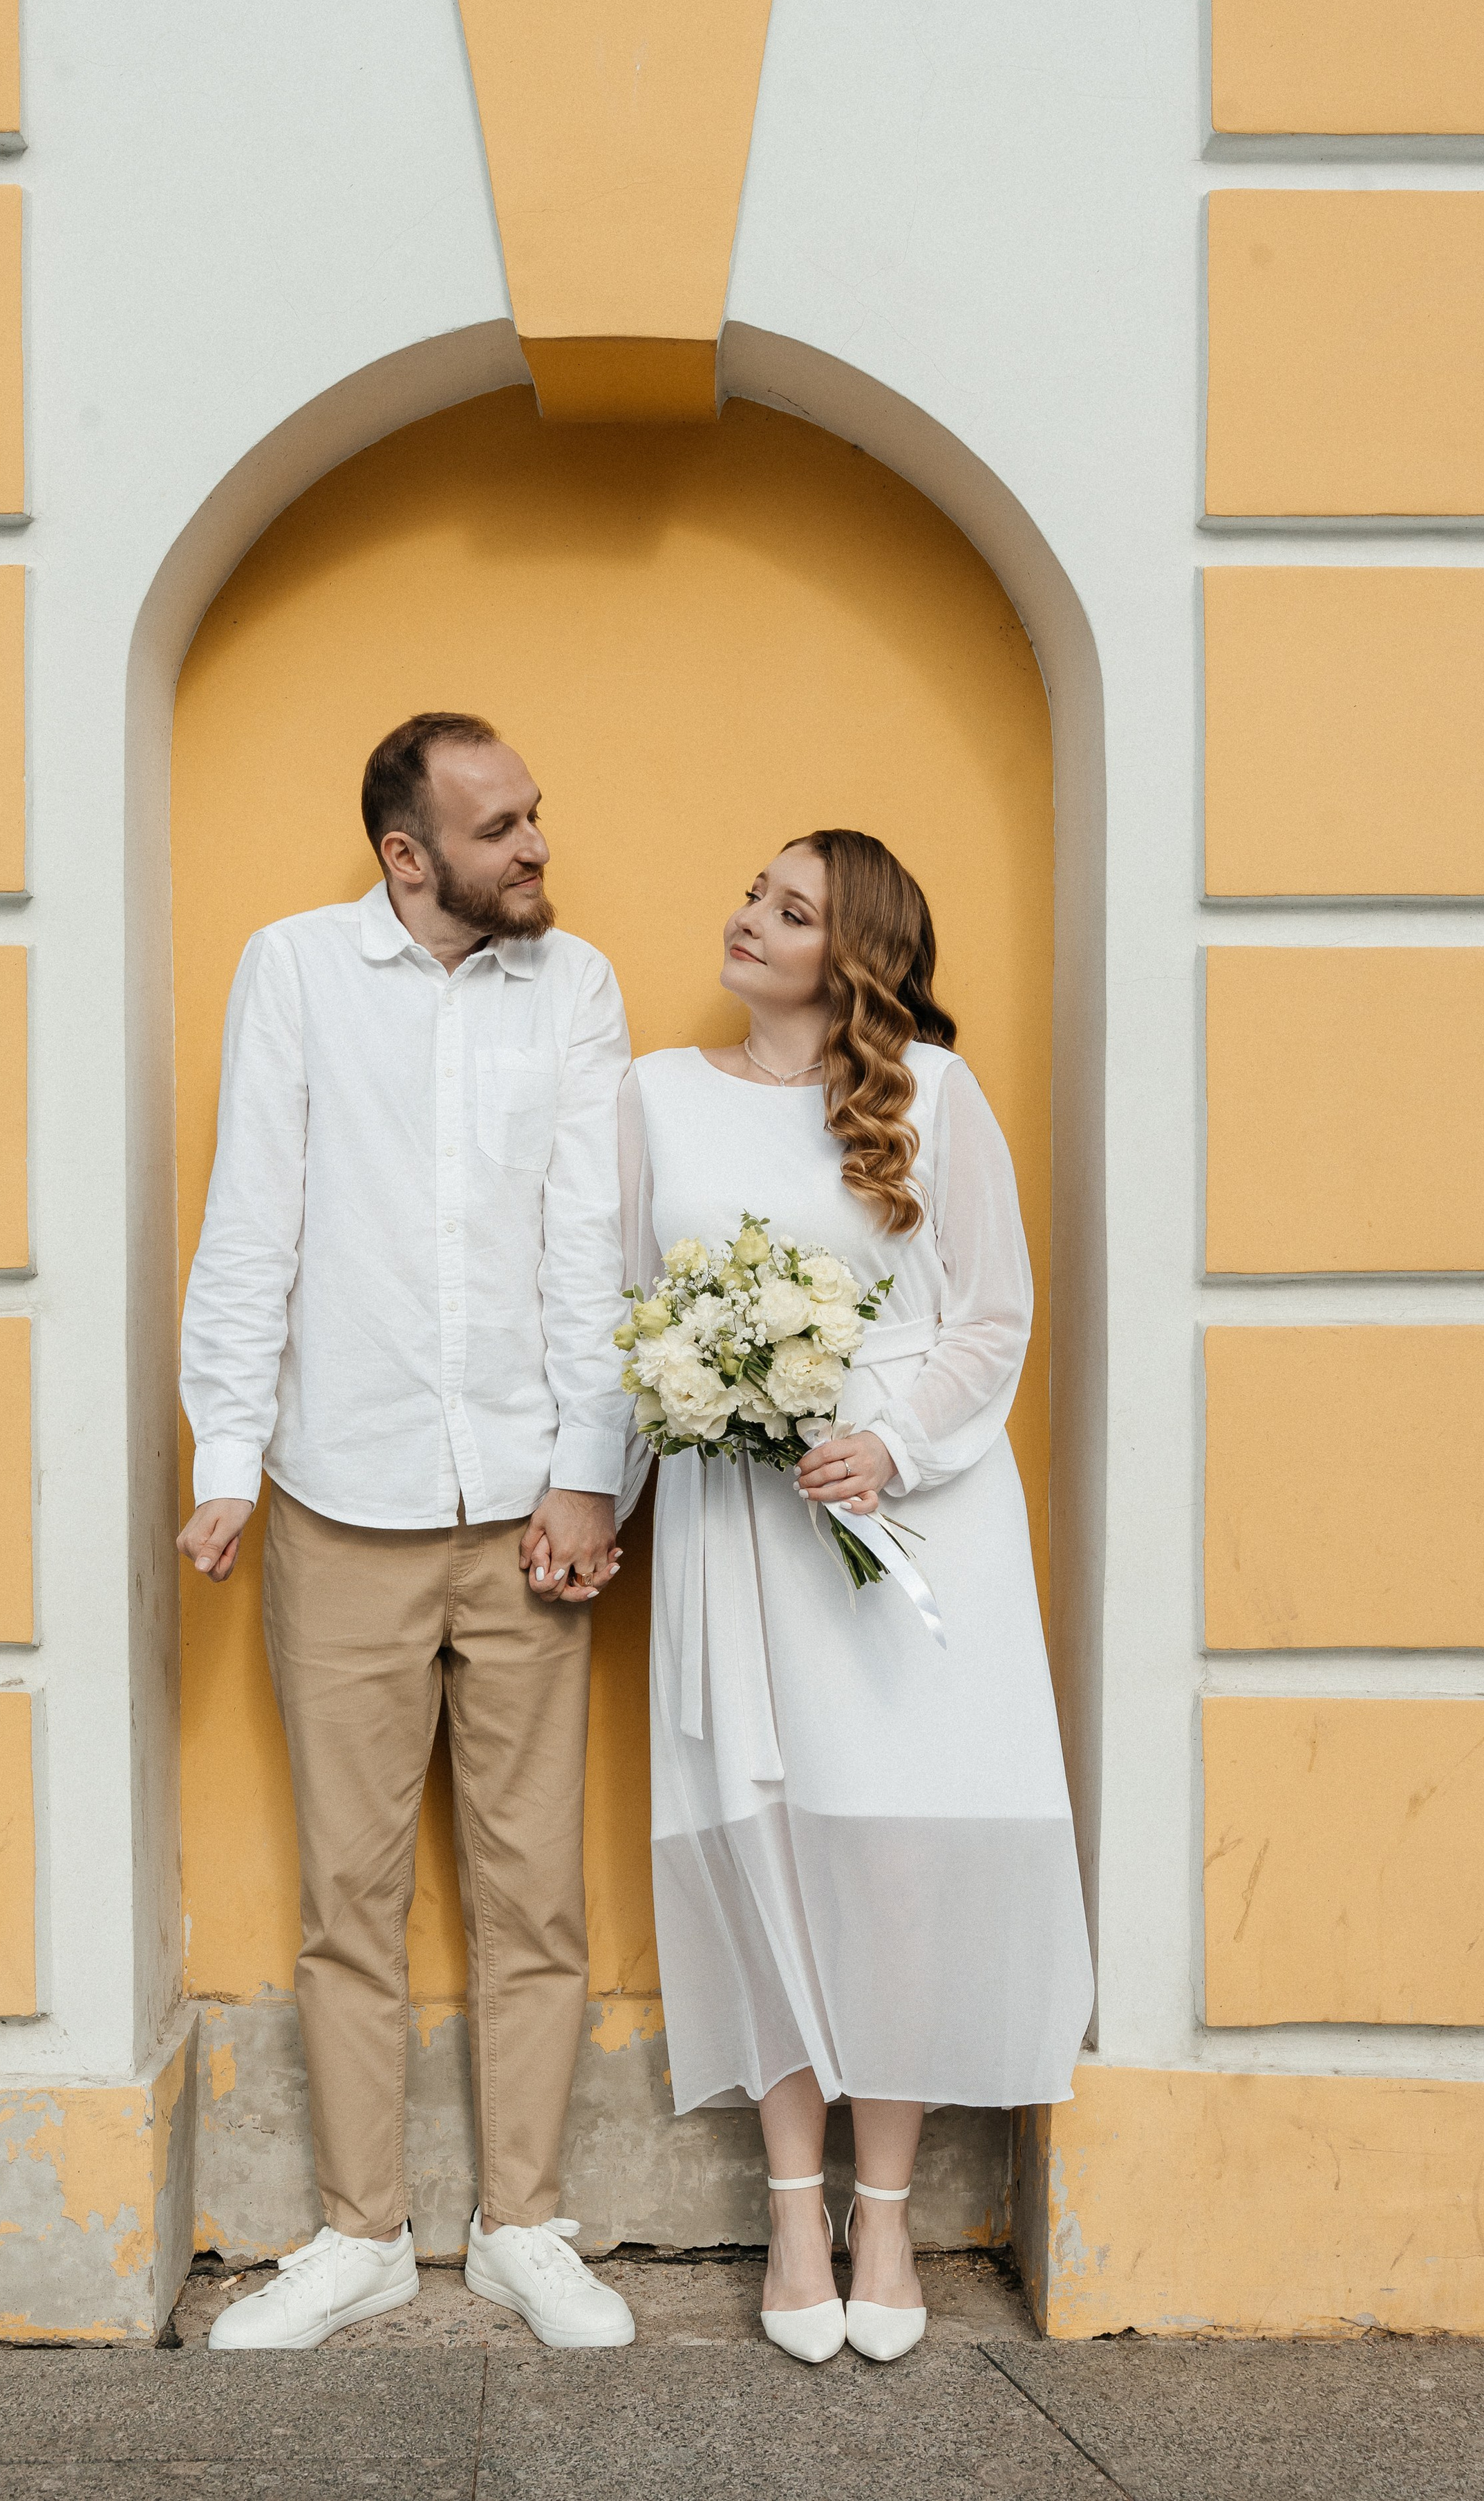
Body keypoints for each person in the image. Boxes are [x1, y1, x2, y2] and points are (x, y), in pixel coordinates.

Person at [179, 711, 637, 2353]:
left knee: (534, 1898)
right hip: (337, 1497)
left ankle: (523, 2223)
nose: (533, 846)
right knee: (345, 1894)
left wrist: (594, 1467)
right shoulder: (293, 971)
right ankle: (358, 2236)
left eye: (533, 813)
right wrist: (227, 1447)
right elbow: (254, 1217)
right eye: (499, 825)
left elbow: (592, 1243)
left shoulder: (571, 987)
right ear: (406, 854)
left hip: (528, 1505)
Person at [619, 829, 1093, 2366]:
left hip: (908, 1528)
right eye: (752, 889)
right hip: (732, 1530)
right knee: (759, 1848)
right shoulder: (652, 1099)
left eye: (791, 909)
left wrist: (887, 1441)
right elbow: (621, 1321)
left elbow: (990, 1313)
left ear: (853, 954)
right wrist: (610, 1490)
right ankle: (787, 2204)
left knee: (887, 1861)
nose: (746, 916)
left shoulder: (933, 1100)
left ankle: (879, 2210)